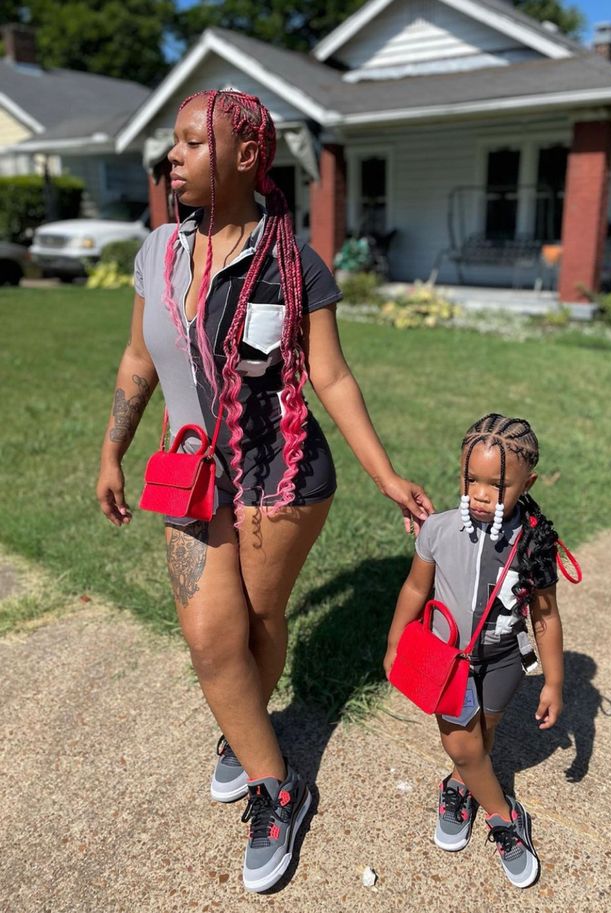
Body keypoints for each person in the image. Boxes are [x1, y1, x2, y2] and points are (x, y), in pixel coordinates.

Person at [95, 89, 432, 894]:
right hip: (190, 473)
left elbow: (332, 375)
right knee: (213, 638)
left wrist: (387, 474)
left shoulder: (295, 265)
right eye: (170, 144)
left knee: (259, 619)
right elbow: (139, 363)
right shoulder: (158, 255)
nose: (171, 157)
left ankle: (246, 737)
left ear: (248, 157)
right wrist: (112, 449)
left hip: (280, 479)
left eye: (190, 142)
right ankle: (279, 782)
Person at [384, 413, 565, 890]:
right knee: (462, 744)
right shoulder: (439, 530)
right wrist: (395, 641)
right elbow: (412, 589)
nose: (481, 493)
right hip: (446, 662)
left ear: (528, 482)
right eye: (471, 479)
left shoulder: (534, 543)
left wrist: (553, 680)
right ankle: (506, 818)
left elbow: (545, 616)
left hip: (505, 660)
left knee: (480, 741)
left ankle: (459, 786)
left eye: (497, 484)